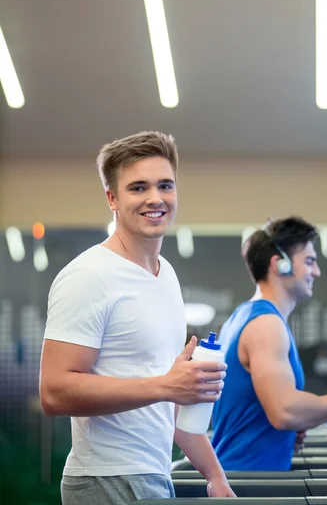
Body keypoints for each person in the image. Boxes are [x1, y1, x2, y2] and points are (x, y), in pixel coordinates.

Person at [40, 131, 235, 503]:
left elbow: (170, 398)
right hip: (107, 479)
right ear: (112, 198)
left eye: (165, 185)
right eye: (138, 188)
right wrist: (165, 385)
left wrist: (215, 477)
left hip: (151, 474)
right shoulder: (89, 276)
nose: (155, 198)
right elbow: (54, 392)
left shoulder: (167, 275)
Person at [211, 216, 327, 471]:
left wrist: (289, 432)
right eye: (309, 262)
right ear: (281, 264)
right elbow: (284, 411)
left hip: (247, 474)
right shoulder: (266, 325)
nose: (316, 271)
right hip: (248, 484)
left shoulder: (245, 315)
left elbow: (259, 410)